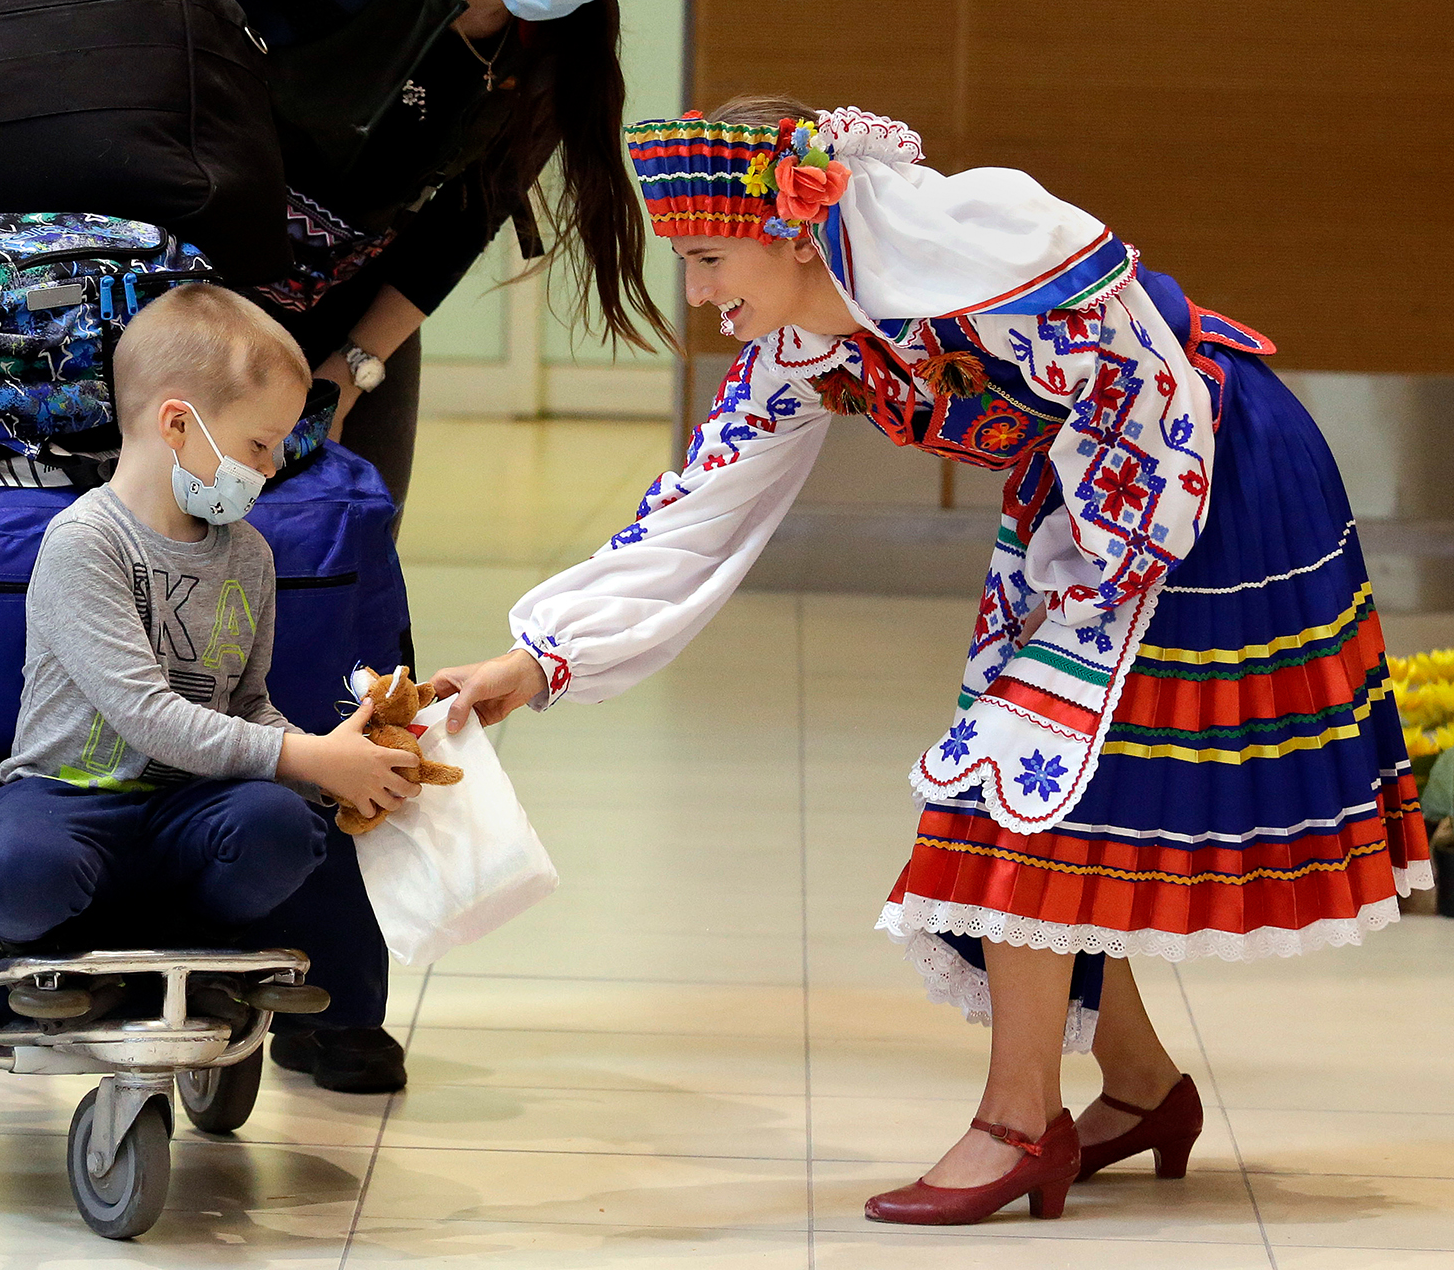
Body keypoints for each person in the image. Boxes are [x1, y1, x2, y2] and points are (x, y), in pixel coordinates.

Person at [430, 101, 1434, 1223]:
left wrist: (1090, 576)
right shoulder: (801, 341)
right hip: (1089, 512)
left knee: (1017, 787)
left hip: (1197, 486)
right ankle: (1142, 1088)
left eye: (709, 257)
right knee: (1042, 793)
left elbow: (1147, 398)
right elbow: (698, 506)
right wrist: (536, 657)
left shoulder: (989, 253)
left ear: (794, 227)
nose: (701, 293)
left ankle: (1020, 1123)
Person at [0, 283, 423, 1093]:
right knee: (26, 869)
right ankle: (59, 961)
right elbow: (148, 717)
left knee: (282, 826)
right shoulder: (85, 544)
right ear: (177, 424)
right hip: (71, 796)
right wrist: (311, 757)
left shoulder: (247, 553)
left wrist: (338, 760)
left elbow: (248, 707)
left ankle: (195, 954)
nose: (274, 465)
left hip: (190, 805)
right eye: (259, 443)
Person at [192, 0, 674, 509]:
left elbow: (461, 224)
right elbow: (146, 56)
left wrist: (348, 372)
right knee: (179, 542)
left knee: (350, 545)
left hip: (351, 300)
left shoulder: (562, 43)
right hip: (189, 279)